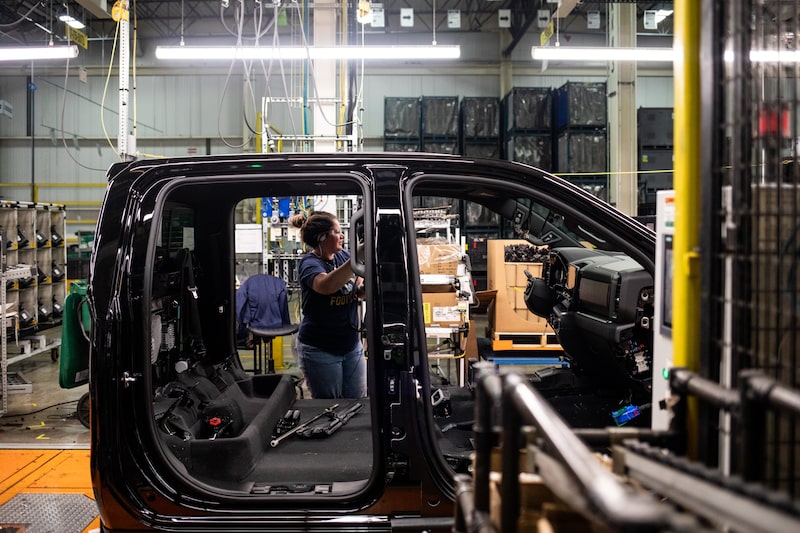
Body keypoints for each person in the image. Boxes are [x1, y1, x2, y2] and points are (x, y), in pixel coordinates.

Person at [289, 211, 366, 399]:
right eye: (337, 232)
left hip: (351, 346)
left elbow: (358, 290)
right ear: (321, 237)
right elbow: (325, 286)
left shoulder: (343, 257)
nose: (342, 236)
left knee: (357, 402)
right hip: (320, 349)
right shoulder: (309, 264)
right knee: (329, 405)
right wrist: (355, 259)